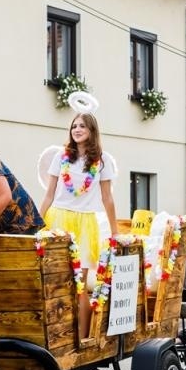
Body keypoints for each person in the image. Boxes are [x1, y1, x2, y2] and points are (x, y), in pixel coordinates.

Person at [38, 109, 120, 339]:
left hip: (85, 223)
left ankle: (82, 338)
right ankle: (59, 335)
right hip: (58, 220)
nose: (77, 130)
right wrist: (36, 222)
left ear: (92, 130)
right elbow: (49, 194)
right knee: (56, 281)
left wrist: (115, 232)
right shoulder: (61, 157)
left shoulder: (102, 161)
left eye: (82, 126)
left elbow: (107, 198)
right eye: (74, 126)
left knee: (79, 284)